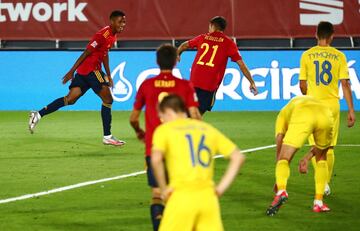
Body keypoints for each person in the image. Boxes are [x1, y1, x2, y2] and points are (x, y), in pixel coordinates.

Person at [129, 44, 201, 231]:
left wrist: (139, 132)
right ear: (177, 61)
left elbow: (133, 118)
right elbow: (195, 115)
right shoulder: (185, 85)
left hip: (154, 148)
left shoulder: (146, 85)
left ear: (157, 61)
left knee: (156, 194)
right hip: (180, 148)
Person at [28, 11, 127, 146]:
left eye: (124, 22)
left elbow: (104, 54)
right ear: (112, 22)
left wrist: (109, 74)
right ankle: (107, 136)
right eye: (120, 21)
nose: (123, 24)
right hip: (92, 70)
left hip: (84, 71)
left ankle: (38, 114)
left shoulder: (113, 36)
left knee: (70, 99)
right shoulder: (102, 35)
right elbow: (86, 52)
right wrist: (71, 71)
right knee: (108, 99)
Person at [151, 94, 246, 231]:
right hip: (208, 200)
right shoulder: (207, 128)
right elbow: (238, 157)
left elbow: (156, 159)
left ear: (169, 112)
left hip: (180, 197)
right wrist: (219, 189)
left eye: (162, 116)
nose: (162, 120)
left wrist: (164, 189)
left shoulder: (165, 130)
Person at [299, 21, 356, 195]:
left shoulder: (307, 55)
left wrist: (309, 97)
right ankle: (324, 184)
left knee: (316, 145)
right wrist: (351, 110)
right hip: (332, 107)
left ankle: (320, 179)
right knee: (328, 147)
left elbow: (302, 85)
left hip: (313, 106)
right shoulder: (339, 56)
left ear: (316, 34)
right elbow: (345, 84)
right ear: (332, 36)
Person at [266, 95, 334, 216]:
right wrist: (307, 157)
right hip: (326, 114)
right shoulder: (297, 103)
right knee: (322, 157)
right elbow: (320, 149)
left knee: (283, 158)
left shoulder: (281, 116)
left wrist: (279, 180)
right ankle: (318, 202)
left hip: (303, 113)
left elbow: (280, 149)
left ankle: (281, 191)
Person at [177, 16, 258, 114]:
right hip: (209, 85)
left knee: (190, 111)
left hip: (194, 81)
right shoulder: (228, 43)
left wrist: (178, 54)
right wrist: (252, 82)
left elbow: (184, 45)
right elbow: (241, 64)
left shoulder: (203, 37)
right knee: (196, 115)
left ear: (211, 25)